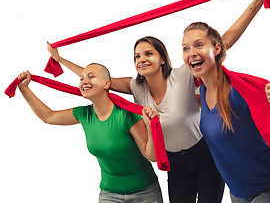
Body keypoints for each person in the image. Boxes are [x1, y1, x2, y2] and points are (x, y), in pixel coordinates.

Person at [47, 0, 270, 202]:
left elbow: (224, 42)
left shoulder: (184, 75)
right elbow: (94, 79)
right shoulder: (135, 87)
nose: (141, 59)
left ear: (162, 58)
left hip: (206, 156)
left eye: (148, 54)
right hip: (175, 163)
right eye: (136, 56)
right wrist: (60, 59)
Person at [181, 21, 270, 202]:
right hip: (239, 194)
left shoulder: (240, 92)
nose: (191, 52)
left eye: (199, 45)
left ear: (216, 49)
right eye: (185, 48)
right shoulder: (204, 90)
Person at [17, 63, 163, 203]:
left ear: (106, 84)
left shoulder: (127, 115)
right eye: (81, 79)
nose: (84, 81)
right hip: (109, 194)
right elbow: (48, 116)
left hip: (145, 192)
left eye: (91, 76)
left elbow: (152, 156)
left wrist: (150, 129)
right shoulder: (84, 114)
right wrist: (24, 89)